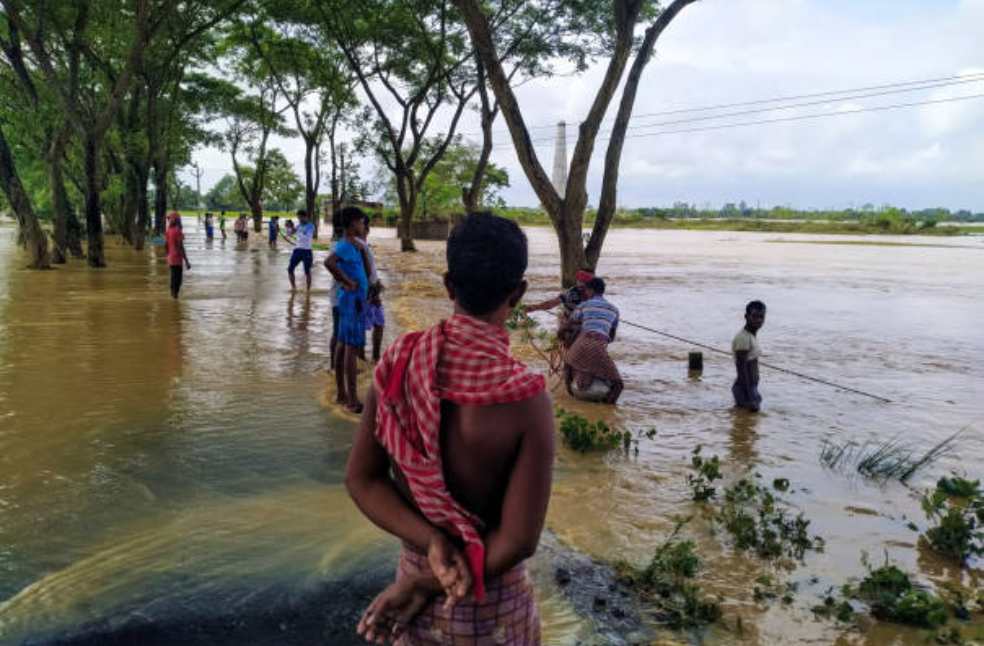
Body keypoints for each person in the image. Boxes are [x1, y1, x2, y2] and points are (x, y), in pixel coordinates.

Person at [346, 212, 553, 644]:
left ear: (447, 286)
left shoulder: (399, 365)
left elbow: (362, 480)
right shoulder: (527, 399)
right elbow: (517, 540)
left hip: (412, 598)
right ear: (518, 293)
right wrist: (426, 585)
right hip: (496, 606)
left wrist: (429, 552)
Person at [325, 207, 369, 413]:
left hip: (353, 300)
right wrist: (347, 281)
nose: (363, 226)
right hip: (351, 301)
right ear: (352, 224)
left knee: (343, 345)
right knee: (350, 349)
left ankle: (342, 394)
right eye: (361, 222)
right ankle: (352, 399)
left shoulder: (355, 245)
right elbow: (329, 262)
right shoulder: (344, 246)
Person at [564, 277, 623, 404]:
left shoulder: (583, 305)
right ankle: (608, 410)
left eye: (586, 290)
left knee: (567, 366)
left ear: (590, 290)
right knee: (618, 385)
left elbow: (568, 325)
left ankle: (571, 399)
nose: (585, 293)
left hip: (581, 343)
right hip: (599, 346)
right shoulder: (615, 310)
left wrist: (562, 333)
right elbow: (611, 337)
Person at [525, 268, 594, 346]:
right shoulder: (571, 293)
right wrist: (533, 308)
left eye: (585, 282)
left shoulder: (595, 295)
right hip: (571, 325)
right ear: (577, 281)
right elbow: (551, 303)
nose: (581, 284)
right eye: (580, 281)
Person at [732, 300, 766, 412]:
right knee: (745, 425)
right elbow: (741, 369)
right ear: (746, 316)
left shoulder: (751, 335)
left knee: (746, 423)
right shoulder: (743, 338)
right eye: (755, 316)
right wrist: (750, 397)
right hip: (745, 388)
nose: (759, 320)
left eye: (761, 317)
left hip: (751, 387)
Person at [164, 212, 191, 299]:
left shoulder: (168, 230)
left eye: (169, 219)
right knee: (178, 280)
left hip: (171, 258)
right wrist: (186, 261)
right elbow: (181, 247)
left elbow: (166, 245)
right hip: (177, 258)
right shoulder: (177, 231)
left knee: (173, 278)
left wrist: (167, 255)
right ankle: (175, 297)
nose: (168, 220)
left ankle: (173, 296)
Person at [287, 210, 315, 291]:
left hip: (307, 251)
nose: (300, 220)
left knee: (307, 272)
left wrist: (296, 230)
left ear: (306, 217)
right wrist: (289, 227)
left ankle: (308, 291)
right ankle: (294, 288)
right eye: (298, 218)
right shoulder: (298, 226)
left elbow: (306, 237)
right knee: (290, 269)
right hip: (297, 250)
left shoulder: (311, 226)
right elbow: (289, 234)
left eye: (301, 218)